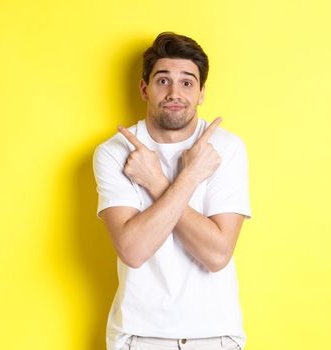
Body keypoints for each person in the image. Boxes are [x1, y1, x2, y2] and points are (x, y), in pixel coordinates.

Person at [93, 32, 252, 350]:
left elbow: (217, 254)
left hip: (215, 335)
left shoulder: (226, 148)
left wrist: (157, 181)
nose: (174, 92)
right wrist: (190, 177)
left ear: (202, 93)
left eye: (187, 82)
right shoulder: (114, 152)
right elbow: (133, 250)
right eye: (163, 81)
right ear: (144, 88)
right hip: (138, 337)